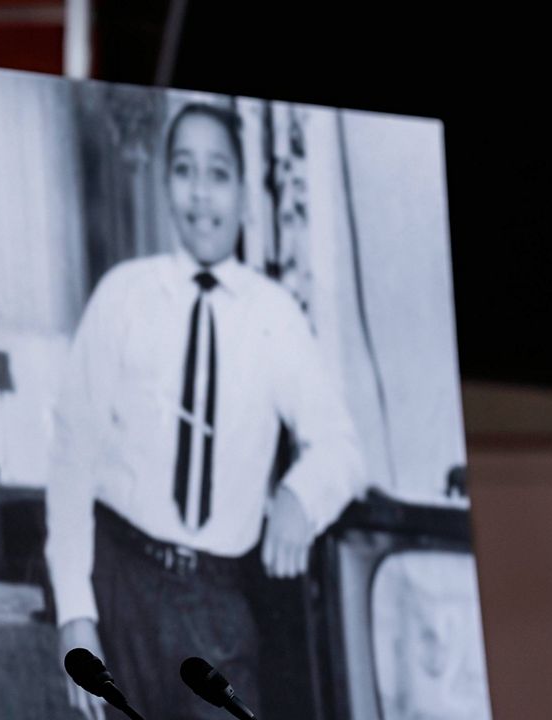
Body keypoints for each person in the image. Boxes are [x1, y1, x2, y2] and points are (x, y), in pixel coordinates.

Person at [45, 103, 364, 720]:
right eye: (185, 170)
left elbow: (342, 450)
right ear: (166, 184)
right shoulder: (124, 296)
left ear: (244, 190)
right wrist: (75, 614)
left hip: (219, 600)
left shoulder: (276, 316)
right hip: (119, 584)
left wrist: (302, 494)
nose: (201, 193)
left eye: (218, 173)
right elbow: (70, 456)